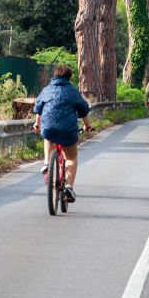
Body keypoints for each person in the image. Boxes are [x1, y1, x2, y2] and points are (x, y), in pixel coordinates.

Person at [33, 65, 93, 202]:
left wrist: (37, 123)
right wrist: (87, 125)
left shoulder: (46, 90)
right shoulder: (72, 91)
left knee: (48, 135)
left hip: (49, 127)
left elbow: (38, 108)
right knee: (71, 158)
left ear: (54, 76)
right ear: (69, 77)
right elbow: (83, 109)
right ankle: (69, 187)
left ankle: (47, 162)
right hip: (67, 130)